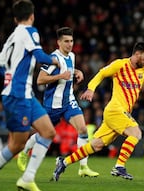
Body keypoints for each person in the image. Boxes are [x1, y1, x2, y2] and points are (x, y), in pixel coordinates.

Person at [51, 41, 144, 181]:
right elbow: (101, 74)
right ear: (137, 54)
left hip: (120, 113)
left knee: (96, 145)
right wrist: (91, 88)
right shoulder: (120, 65)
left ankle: (64, 162)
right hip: (115, 109)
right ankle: (119, 166)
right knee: (136, 133)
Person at [0, 0, 59, 191]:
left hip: (24, 93)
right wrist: (57, 61)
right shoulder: (30, 31)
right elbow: (41, 56)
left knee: (48, 131)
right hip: (18, 95)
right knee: (18, 144)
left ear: (15, 18)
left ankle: (28, 178)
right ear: (32, 16)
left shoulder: (12, 36)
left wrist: (10, 75)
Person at [16, 27, 99, 177]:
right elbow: (40, 79)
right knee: (43, 134)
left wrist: (77, 72)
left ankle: (83, 167)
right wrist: (60, 76)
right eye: (66, 41)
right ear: (59, 42)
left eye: (71, 41)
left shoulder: (72, 56)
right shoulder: (52, 58)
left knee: (83, 130)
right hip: (52, 105)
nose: (69, 44)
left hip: (68, 102)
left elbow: (69, 70)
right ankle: (25, 151)